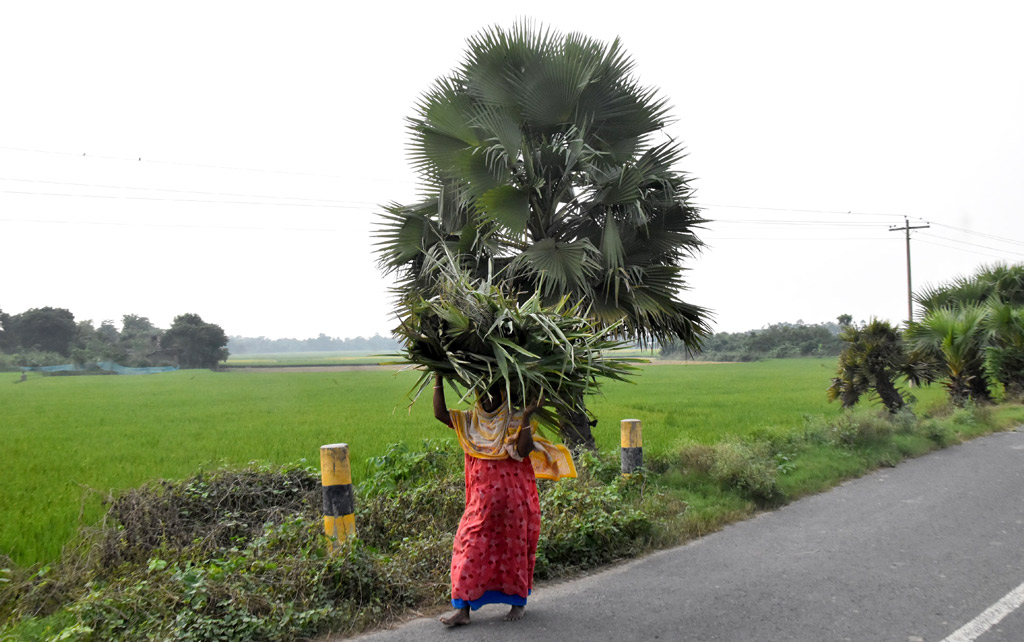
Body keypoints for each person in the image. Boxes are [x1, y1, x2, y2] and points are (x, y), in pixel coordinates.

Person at [432, 373, 575, 626]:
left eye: (493, 394)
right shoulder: (470, 422)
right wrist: (438, 377)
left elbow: (522, 450)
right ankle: (463, 611)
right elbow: (440, 414)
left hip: (514, 505)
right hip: (480, 507)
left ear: (503, 395)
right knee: (468, 548)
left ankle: (517, 603)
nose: (488, 400)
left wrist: (528, 415)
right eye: (483, 395)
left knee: (513, 552)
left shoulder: (514, 419)